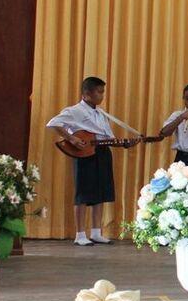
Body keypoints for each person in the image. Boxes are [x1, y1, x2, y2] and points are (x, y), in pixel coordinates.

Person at [46, 76, 135, 246]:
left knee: (100, 191)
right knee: (83, 192)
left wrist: (124, 143)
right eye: (99, 92)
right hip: (84, 153)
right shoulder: (75, 111)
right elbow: (53, 123)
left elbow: (108, 138)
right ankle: (80, 235)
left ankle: (96, 232)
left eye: (103, 92)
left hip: (102, 152)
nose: (102, 96)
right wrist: (72, 139)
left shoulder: (101, 113)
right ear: (86, 94)